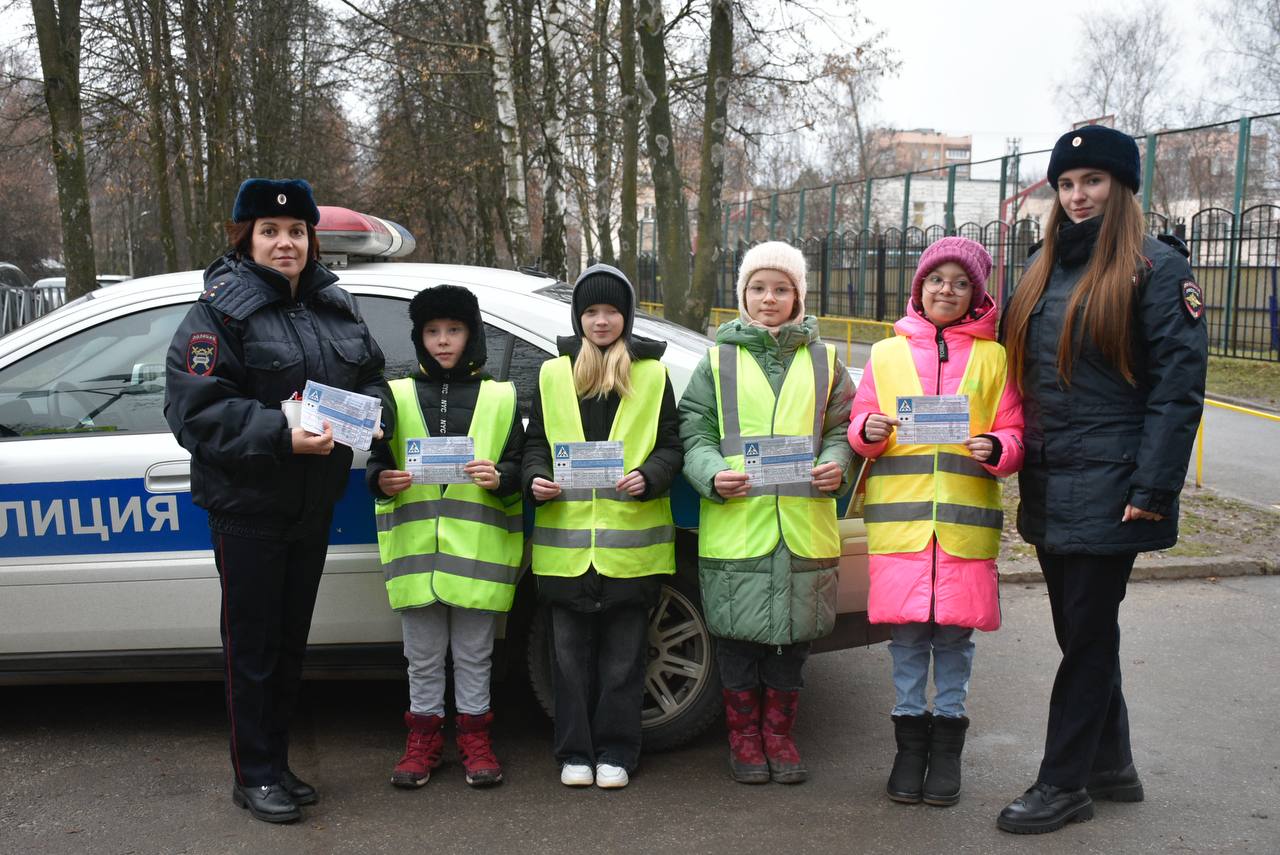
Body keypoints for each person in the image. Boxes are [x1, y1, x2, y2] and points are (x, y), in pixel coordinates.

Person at [995, 125, 1208, 834]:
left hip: (1116, 485)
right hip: (1052, 483)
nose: (1078, 195)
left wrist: (1154, 488)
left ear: (1120, 187)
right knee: (1082, 630)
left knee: (1084, 636)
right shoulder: (1039, 266)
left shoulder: (1156, 268)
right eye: (1066, 183)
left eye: (1093, 180)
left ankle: (1064, 783)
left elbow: (1178, 389)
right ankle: (1112, 764)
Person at [165, 178, 390, 823]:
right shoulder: (217, 314)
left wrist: (373, 414)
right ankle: (254, 773)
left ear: (309, 239)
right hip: (250, 508)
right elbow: (195, 411)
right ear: (248, 239)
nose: (285, 243)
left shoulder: (334, 304)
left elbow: (369, 372)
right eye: (270, 231)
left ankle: (278, 764)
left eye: (295, 232)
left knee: (291, 645)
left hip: (312, 503)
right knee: (253, 648)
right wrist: (282, 435)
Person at [848, 237, 1024, 807]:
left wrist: (998, 446)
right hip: (901, 527)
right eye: (936, 279)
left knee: (954, 638)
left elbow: (1015, 430)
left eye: (960, 281)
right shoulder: (885, 354)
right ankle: (908, 747)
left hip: (963, 526)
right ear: (919, 288)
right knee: (905, 639)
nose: (946, 289)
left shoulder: (995, 358)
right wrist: (867, 432)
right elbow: (861, 422)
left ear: (976, 294)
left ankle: (946, 747)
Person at [678, 241, 855, 785]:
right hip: (739, 528)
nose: (769, 298)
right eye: (758, 288)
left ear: (798, 296)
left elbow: (842, 428)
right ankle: (746, 742)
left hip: (802, 528)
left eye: (781, 288)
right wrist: (710, 473)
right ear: (742, 296)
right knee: (735, 645)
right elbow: (694, 429)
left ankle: (779, 736)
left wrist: (836, 461)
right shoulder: (716, 360)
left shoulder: (826, 360)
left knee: (792, 647)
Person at [522, 264, 682, 790]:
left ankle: (617, 751)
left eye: (611, 310)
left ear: (627, 316)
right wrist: (537, 478)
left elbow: (671, 447)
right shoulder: (551, 374)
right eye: (591, 310)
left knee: (623, 662)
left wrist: (650, 476)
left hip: (629, 549)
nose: (601, 320)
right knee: (566, 662)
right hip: (567, 549)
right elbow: (534, 446)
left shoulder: (654, 374)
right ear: (578, 316)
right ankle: (574, 752)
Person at [366, 284, 524, 789]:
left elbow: (520, 464)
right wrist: (381, 481)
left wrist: (503, 477)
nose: (442, 341)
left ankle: (475, 739)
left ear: (471, 334)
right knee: (422, 656)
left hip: (478, 555)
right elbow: (379, 461)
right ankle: (424, 741)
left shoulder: (501, 395)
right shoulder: (396, 393)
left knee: (477, 654)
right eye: (432, 332)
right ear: (418, 338)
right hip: (416, 555)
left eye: (453, 330)